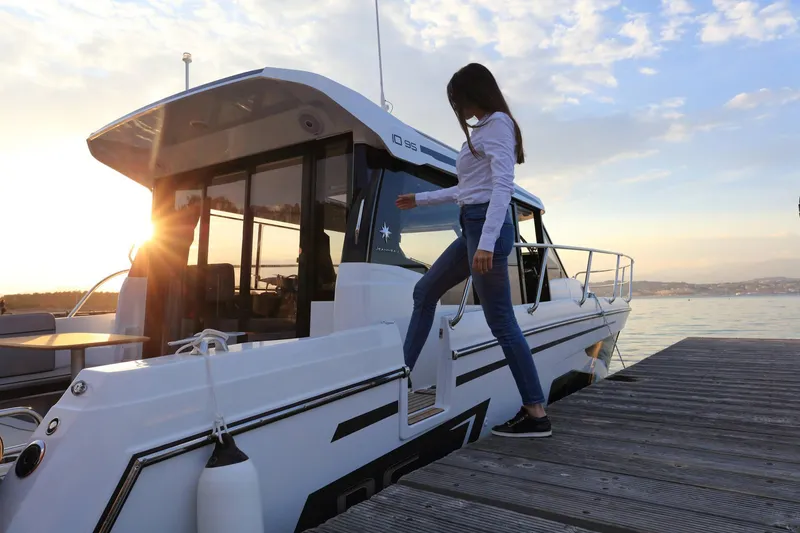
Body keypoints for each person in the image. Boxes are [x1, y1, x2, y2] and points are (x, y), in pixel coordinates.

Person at [395, 63, 551, 438]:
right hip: (472, 225)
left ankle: (536, 413)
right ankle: (400, 376)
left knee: (502, 323)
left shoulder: (497, 124)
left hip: (485, 231)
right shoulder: (484, 128)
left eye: (457, 99)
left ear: (473, 93)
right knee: (425, 290)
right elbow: (467, 190)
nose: (456, 107)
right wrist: (420, 199)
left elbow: (502, 188)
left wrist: (484, 243)